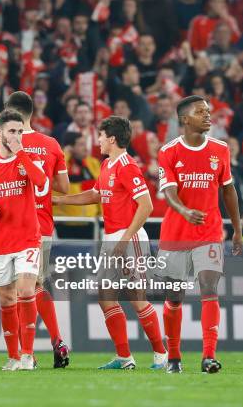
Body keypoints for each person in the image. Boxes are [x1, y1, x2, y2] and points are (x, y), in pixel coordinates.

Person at [53, 116, 167, 370]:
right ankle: (125, 358)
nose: (99, 141)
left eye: (102, 136)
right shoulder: (106, 165)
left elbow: (146, 206)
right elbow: (96, 194)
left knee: (137, 298)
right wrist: (61, 201)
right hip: (112, 239)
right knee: (106, 296)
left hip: (130, 239)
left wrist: (125, 239)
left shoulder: (127, 165)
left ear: (112, 138)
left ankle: (162, 355)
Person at [156, 95, 242, 374]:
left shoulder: (220, 149)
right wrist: (183, 210)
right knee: (174, 297)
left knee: (209, 287)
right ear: (184, 119)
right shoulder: (168, 151)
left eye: (209, 111)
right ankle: (174, 358)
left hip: (209, 232)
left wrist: (238, 230)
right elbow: (168, 193)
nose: (208, 116)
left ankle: (208, 356)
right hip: (175, 233)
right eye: (201, 112)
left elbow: (228, 190)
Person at [0, 91, 71, 368]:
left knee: (18, 291)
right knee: (37, 285)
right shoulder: (51, 144)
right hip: (44, 225)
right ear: (32, 113)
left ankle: (27, 353)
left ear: (9, 112)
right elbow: (64, 187)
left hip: (15, 226)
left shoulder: (0, 145)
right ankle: (55, 340)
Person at [0, 109, 47, 371]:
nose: (16, 136)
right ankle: (13, 356)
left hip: (27, 238)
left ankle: (28, 354)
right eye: (12, 131)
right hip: (1, 242)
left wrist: (21, 153)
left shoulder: (28, 159)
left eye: (20, 131)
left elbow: (41, 182)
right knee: (5, 299)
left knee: (26, 291)